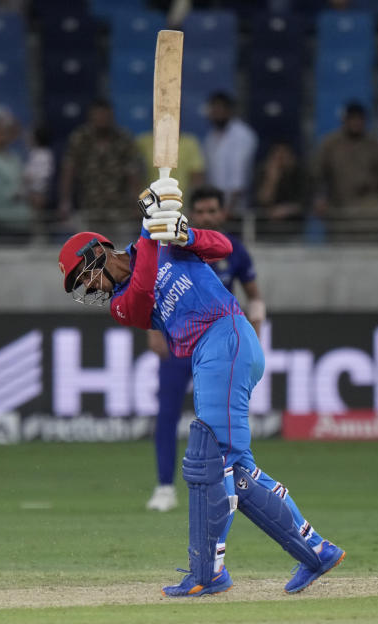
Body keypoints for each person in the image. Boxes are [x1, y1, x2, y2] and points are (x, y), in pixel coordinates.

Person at [56, 175, 343, 596]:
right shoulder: (121, 305)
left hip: (226, 335)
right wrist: (151, 226)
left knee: (211, 462)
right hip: (212, 352)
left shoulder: (164, 240)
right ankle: (315, 552)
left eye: (87, 276)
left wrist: (183, 232)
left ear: (97, 250)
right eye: (84, 287)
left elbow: (224, 249)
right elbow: (140, 290)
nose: (92, 287)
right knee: (234, 470)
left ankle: (208, 573)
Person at [145, 185, 265, 513]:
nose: (208, 216)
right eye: (202, 211)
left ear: (223, 213)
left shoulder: (234, 250)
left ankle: (232, 484)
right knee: (167, 413)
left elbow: (254, 296)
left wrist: (255, 330)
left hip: (221, 346)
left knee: (220, 420)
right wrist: (153, 331)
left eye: (214, 211)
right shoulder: (175, 243)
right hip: (179, 344)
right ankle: (165, 487)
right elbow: (154, 285)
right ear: (192, 214)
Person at [312, 101, 378, 239]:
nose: (356, 122)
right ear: (344, 120)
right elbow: (316, 173)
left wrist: (374, 182)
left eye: (360, 119)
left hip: (370, 198)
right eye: (352, 119)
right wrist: (320, 196)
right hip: (340, 202)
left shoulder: (373, 143)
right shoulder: (330, 144)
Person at [57, 98, 143, 232]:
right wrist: (65, 202)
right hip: (89, 207)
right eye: (98, 116)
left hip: (119, 209)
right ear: (91, 117)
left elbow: (133, 173)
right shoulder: (80, 138)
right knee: (88, 250)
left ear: (111, 116)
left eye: (105, 116)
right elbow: (69, 170)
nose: (101, 120)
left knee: (119, 250)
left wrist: (137, 203)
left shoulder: (123, 138)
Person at [203, 92, 257, 213]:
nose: (216, 114)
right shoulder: (210, 138)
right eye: (213, 110)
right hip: (216, 207)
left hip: (237, 207)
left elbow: (239, 176)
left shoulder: (242, 134)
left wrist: (228, 209)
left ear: (229, 110)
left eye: (219, 109)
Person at [255, 141, 310, 240]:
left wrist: (285, 210)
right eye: (277, 157)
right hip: (267, 231)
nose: (280, 161)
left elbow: (304, 202)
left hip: (293, 230)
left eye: (283, 156)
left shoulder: (299, 174)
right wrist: (272, 180)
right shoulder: (263, 173)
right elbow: (262, 201)